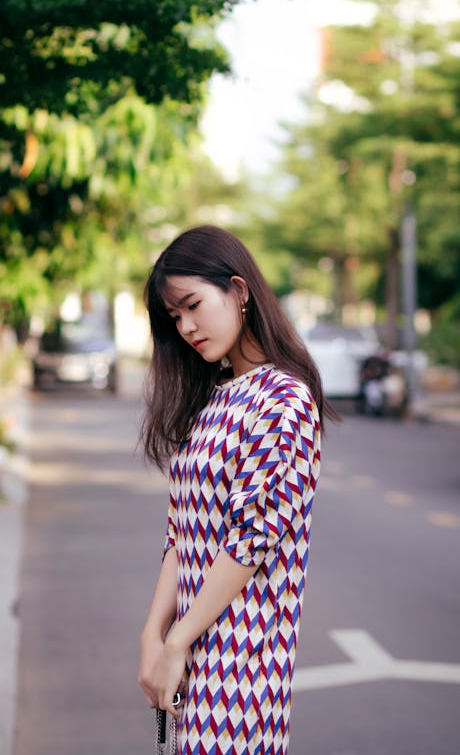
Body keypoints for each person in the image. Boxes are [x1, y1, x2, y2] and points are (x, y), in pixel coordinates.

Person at [138, 225, 335, 754]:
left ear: (240, 291)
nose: (185, 326)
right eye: (174, 317)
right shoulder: (215, 401)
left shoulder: (285, 400)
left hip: (243, 667)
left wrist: (176, 639)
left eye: (193, 305)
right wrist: (152, 636)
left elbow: (250, 540)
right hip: (192, 652)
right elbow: (182, 532)